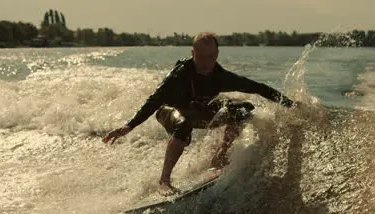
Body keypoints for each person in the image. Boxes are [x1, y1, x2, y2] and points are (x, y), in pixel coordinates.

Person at [103, 32, 297, 195]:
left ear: (217, 54)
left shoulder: (220, 76)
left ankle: (220, 156)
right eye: (201, 57)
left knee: (243, 109)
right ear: (193, 53)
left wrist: (291, 105)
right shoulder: (179, 75)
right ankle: (164, 180)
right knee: (184, 124)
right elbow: (154, 100)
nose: (206, 63)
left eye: (211, 57)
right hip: (169, 112)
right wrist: (129, 126)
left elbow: (258, 88)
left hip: (198, 111)